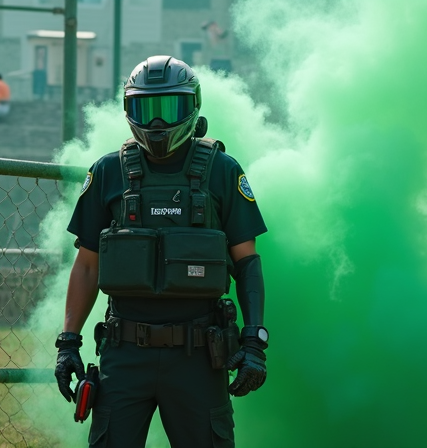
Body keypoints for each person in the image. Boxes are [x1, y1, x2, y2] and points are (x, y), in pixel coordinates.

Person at [54, 55, 269, 448]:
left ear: (192, 106)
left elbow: (247, 264)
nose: (156, 123)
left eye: (169, 108)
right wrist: (68, 342)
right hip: (123, 353)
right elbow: (86, 267)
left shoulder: (222, 171)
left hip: (199, 356)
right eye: (145, 109)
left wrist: (254, 340)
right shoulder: (107, 172)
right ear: (128, 110)